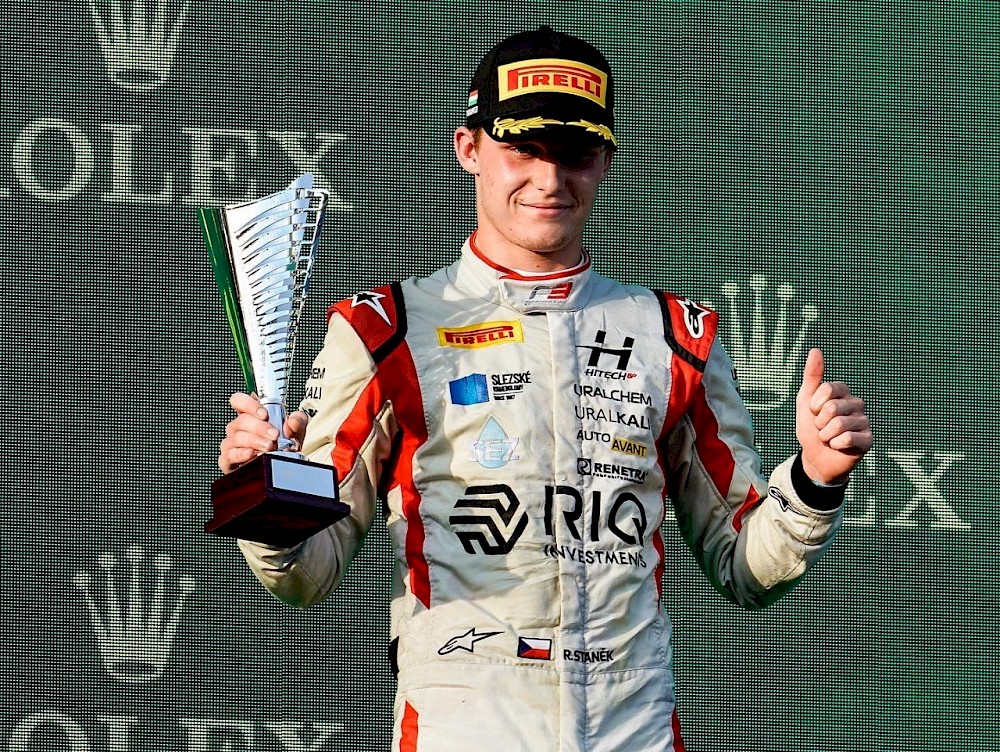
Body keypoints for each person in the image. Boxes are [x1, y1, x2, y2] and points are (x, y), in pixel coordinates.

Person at [218, 26, 872, 752]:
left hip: (634, 727)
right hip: (463, 724)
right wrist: (264, 494)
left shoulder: (675, 338)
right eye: (523, 149)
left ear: (607, 161)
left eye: (576, 154)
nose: (550, 179)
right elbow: (305, 576)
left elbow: (744, 569)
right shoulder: (386, 331)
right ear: (468, 148)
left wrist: (814, 479)